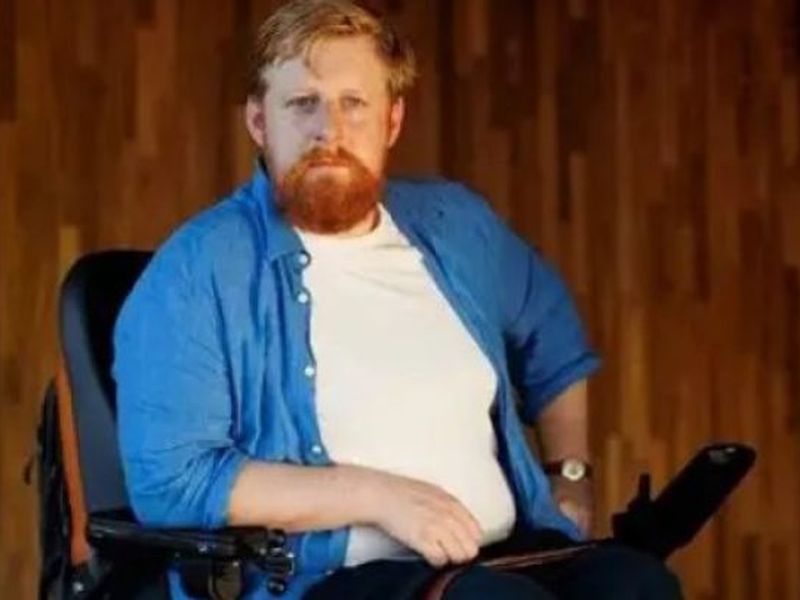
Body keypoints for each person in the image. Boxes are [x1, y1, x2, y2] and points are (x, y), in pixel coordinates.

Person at [113, 1, 681, 598]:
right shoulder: (197, 270)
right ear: (259, 122)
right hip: (328, 579)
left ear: (392, 121)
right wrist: (380, 497)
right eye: (302, 103)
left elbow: (552, 331)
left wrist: (570, 474)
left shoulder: (454, 224)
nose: (328, 130)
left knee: (639, 584)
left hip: (508, 557)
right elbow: (171, 482)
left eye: (353, 103)